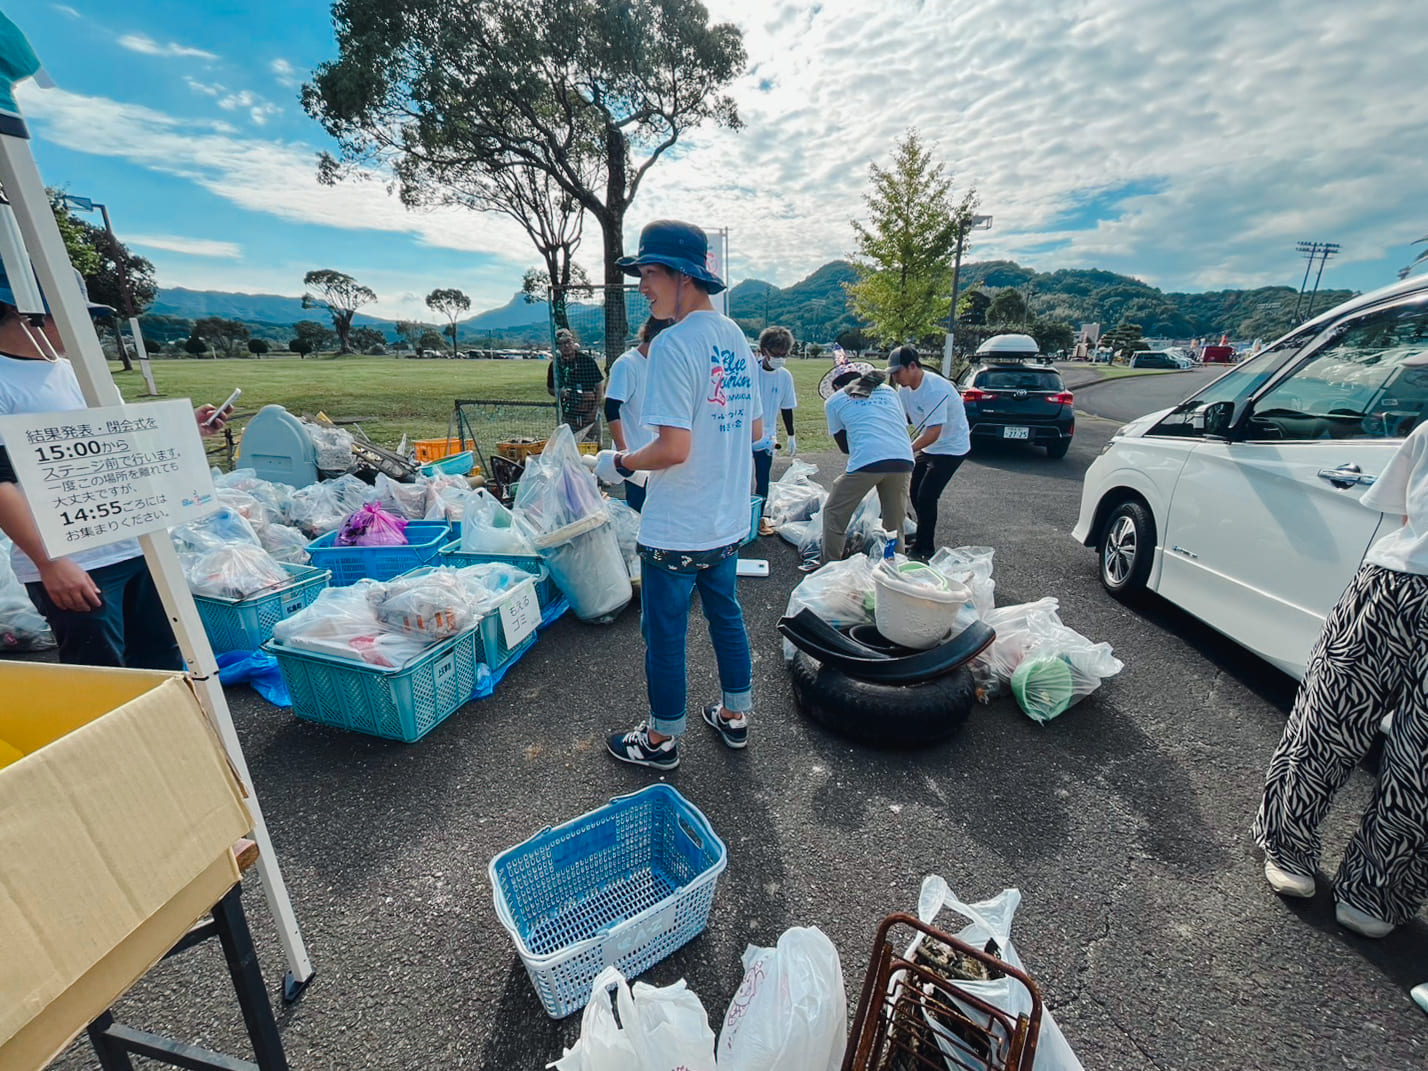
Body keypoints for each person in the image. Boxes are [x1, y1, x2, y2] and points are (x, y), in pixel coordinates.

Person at [0, 264, 227, 668]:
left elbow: (120, 440)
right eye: (73, 315)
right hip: (78, 566)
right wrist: (50, 562)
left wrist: (186, 429)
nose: (86, 327)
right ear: (26, 314)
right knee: (105, 675)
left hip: (136, 545)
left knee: (164, 661)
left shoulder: (77, 371)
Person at [1253, 414, 1428, 938]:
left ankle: (1379, 886)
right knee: (1328, 717)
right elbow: (1405, 521)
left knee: (1422, 765)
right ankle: (1287, 841)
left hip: (1398, 586)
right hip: (1397, 584)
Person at [600, 220, 761, 770]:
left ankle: (661, 741)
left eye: (649, 273)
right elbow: (753, 431)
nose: (642, 287)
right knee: (726, 615)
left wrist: (621, 462)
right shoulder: (735, 338)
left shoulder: (671, 345)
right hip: (725, 519)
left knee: (665, 634)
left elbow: (671, 449)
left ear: (684, 277)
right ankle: (734, 715)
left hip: (679, 523)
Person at [820, 362, 912, 563]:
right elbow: (897, 424)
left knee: (834, 513)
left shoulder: (834, 401)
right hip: (903, 460)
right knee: (894, 523)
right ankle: (893, 565)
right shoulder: (888, 390)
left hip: (867, 462)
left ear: (836, 387)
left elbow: (845, 447)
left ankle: (831, 566)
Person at [886, 345, 970, 561]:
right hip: (930, 446)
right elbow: (902, 419)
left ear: (912, 366)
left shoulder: (935, 389)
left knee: (927, 496)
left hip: (951, 447)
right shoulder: (904, 389)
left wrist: (906, 449)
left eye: (897, 372)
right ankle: (920, 537)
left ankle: (925, 548)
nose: (895, 377)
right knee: (914, 492)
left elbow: (934, 432)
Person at [605, 315, 671, 512]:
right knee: (639, 513)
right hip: (637, 458)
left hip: (659, 454)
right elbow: (611, 407)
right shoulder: (627, 364)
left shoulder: (661, 364)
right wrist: (624, 451)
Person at [752, 325, 798, 535]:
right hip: (743, 435)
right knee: (740, 478)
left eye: (784, 354)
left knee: (763, 478)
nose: (780, 358)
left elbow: (787, 407)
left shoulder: (785, 376)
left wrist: (791, 435)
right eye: (775, 353)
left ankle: (759, 518)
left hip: (767, 435)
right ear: (764, 350)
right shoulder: (750, 370)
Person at [545, 327, 604, 435]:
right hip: (569, 414)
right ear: (557, 346)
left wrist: (594, 411)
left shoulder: (587, 361)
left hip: (589, 411)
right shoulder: (555, 365)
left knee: (593, 445)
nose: (566, 346)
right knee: (570, 445)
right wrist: (559, 392)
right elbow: (550, 388)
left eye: (568, 342)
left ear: (573, 342)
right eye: (562, 343)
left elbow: (599, 387)